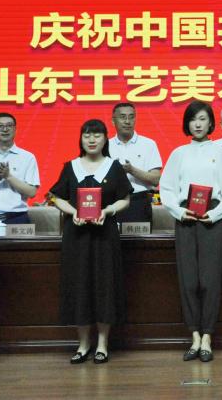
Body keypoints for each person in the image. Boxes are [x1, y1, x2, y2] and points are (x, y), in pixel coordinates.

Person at [160, 101, 222, 362]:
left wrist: (214, 215)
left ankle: (207, 336)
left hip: (210, 218)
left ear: (211, 123)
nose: (197, 124)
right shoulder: (178, 154)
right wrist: (178, 211)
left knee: (209, 280)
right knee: (189, 280)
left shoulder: (220, 153)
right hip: (185, 217)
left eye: (203, 119)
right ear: (187, 123)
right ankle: (194, 336)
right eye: (193, 119)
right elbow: (166, 189)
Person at [48, 119, 133, 364]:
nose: (92, 140)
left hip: (105, 235)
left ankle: (103, 344)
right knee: (80, 286)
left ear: (105, 139)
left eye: (97, 135)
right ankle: (83, 344)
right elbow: (56, 197)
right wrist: (72, 211)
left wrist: (107, 210)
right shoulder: (70, 166)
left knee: (105, 286)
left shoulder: (113, 167)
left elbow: (125, 199)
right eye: (87, 135)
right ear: (81, 139)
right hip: (76, 236)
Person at [107, 102, 162, 224]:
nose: (127, 121)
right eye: (122, 117)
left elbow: (156, 179)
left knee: (139, 237)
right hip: (111, 203)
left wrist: (131, 170)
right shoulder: (106, 145)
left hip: (139, 203)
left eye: (131, 117)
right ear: (113, 121)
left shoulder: (148, 144)